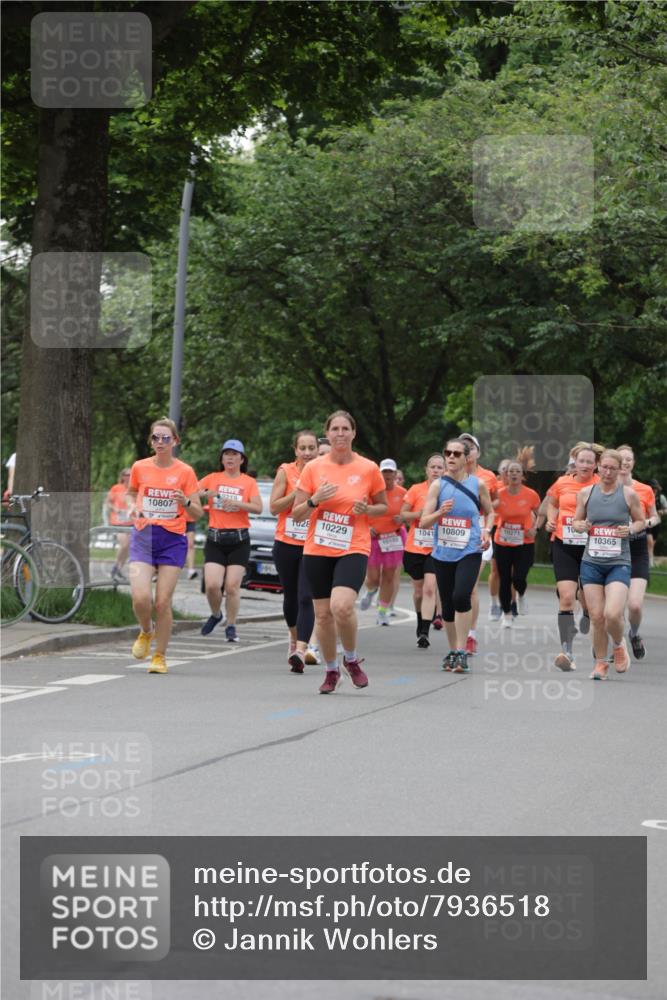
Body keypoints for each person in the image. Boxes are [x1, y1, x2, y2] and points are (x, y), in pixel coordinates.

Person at [292, 410, 387, 694]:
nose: (340, 434)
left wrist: (367, 510)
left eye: (346, 429)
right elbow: (296, 515)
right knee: (322, 615)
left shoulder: (369, 468)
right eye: (335, 429)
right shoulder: (313, 468)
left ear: (353, 433)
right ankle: (332, 670)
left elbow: (383, 506)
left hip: (353, 546)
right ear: (328, 433)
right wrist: (313, 500)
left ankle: (352, 659)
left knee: (342, 607)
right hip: (318, 547)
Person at [127, 418, 202, 674]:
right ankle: (146, 631)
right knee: (140, 597)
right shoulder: (140, 467)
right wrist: (134, 507)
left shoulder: (185, 472)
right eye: (156, 438)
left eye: (165, 438)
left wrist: (185, 502)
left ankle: (159, 656)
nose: (160, 442)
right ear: (151, 440)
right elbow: (131, 492)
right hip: (143, 537)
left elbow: (198, 512)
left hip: (172, 540)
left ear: (175, 441)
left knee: (162, 602)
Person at [421, 438, 494, 673]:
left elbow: (490, 513)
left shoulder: (478, 485)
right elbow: (423, 522)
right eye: (447, 453)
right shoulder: (437, 486)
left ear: (466, 458)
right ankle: (453, 650)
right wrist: (440, 513)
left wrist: (486, 531)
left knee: (462, 595)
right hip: (443, 552)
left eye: (456, 453)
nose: (450, 457)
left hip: (470, 550)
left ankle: (462, 650)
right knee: (449, 606)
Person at [572, 449, 644, 680]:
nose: (609, 471)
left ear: (620, 469)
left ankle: (619, 645)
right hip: (591, 562)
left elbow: (641, 521)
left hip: (618, 562)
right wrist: (580, 526)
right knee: (596, 617)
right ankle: (601, 664)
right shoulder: (585, 493)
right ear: (598, 467)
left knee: (612, 614)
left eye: (614, 468)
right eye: (605, 466)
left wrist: (631, 529)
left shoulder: (629, 495)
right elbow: (576, 521)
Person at [198, 439, 262, 642]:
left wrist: (237, 504)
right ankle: (216, 614)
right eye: (227, 454)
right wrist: (206, 493)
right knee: (212, 585)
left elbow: (258, 507)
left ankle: (232, 625)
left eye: (235, 454)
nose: (230, 458)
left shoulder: (248, 482)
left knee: (232, 586)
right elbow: (192, 493)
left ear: (242, 459)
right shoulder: (212, 478)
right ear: (222, 458)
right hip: (215, 538)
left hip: (239, 540)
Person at [546, 443, 599, 672]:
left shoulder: (601, 485)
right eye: (581, 461)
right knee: (567, 598)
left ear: (595, 464)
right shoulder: (562, 482)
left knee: (590, 601)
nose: (585, 465)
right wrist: (550, 519)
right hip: (564, 544)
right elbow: (552, 504)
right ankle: (567, 652)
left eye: (589, 461)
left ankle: (590, 618)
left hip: (592, 547)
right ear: (574, 462)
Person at [270, 430, 319, 672]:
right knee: (291, 597)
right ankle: (293, 638)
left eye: (312, 448)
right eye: (303, 448)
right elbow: (273, 507)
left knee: (306, 597)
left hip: (313, 544)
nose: (308, 453)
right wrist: (297, 493)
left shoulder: (324, 471)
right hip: (286, 543)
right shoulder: (285, 471)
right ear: (296, 450)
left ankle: (301, 649)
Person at [457, 432, 497, 654]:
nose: (467, 451)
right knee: (455, 589)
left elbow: (495, 502)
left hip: (480, 535)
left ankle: (470, 635)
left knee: (470, 586)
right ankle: (457, 632)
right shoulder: (450, 474)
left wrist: (488, 526)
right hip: (454, 536)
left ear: (478, 452)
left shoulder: (488, 477)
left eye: (471, 447)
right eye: (463, 447)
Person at [617, 445, 658, 659]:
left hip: (637, 549)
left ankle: (634, 634)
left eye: (628, 459)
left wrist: (647, 521)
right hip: (613, 550)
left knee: (634, 604)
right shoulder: (604, 487)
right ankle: (615, 644)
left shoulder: (645, 490)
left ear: (633, 463)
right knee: (614, 606)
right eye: (621, 459)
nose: (625, 462)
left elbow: (655, 516)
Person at [401, 453, 445, 648]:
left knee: (429, 587)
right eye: (432, 467)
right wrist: (419, 515)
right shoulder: (416, 490)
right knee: (418, 592)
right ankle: (420, 620)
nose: (436, 470)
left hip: (436, 549)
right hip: (414, 547)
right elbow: (402, 515)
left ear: (445, 470)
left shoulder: (449, 491)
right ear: (426, 470)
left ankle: (425, 632)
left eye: (439, 467)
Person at [492, 458, 541, 628]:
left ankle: (521, 594)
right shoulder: (499, 493)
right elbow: (489, 510)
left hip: (525, 542)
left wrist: (535, 528)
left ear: (522, 476)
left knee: (519, 577)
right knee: (504, 579)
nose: (513, 474)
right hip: (503, 542)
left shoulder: (531, 495)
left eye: (517, 471)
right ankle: (506, 614)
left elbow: (540, 513)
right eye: (510, 471)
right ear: (505, 475)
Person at [358, 459, 406, 625]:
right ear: (378, 474)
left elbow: (409, 512)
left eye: (390, 472)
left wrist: (403, 518)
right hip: (373, 538)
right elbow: (361, 512)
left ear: (395, 474)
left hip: (393, 538)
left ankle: (382, 612)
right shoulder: (372, 493)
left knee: (389, 577)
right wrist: (368, 526)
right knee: (372, 578)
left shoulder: (402, 493)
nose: (387, 475)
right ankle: (371, 591)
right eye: (384, 472)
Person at [103, 467, 132, 584]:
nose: (129, 476)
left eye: (131, 474)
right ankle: (115, 567)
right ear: (122, 476)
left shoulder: (135, 489)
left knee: (128, 546)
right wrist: (115, 508)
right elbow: (108, 502)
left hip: (130, 521)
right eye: (127, 474)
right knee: (124, 544)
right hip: (117, 521)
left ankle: (118, 568)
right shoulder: (116, 488)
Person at [647, 478, 667, 566]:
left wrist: (662, 512)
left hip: (657, 523)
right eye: (652, 488)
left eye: (655, 488)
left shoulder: (661, 498)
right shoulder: (645, 496)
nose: (654, 490)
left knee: (652, 544)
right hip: (647, 522)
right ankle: (650, 563)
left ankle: (650, 559)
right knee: (650, 542)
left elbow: (666, 509)